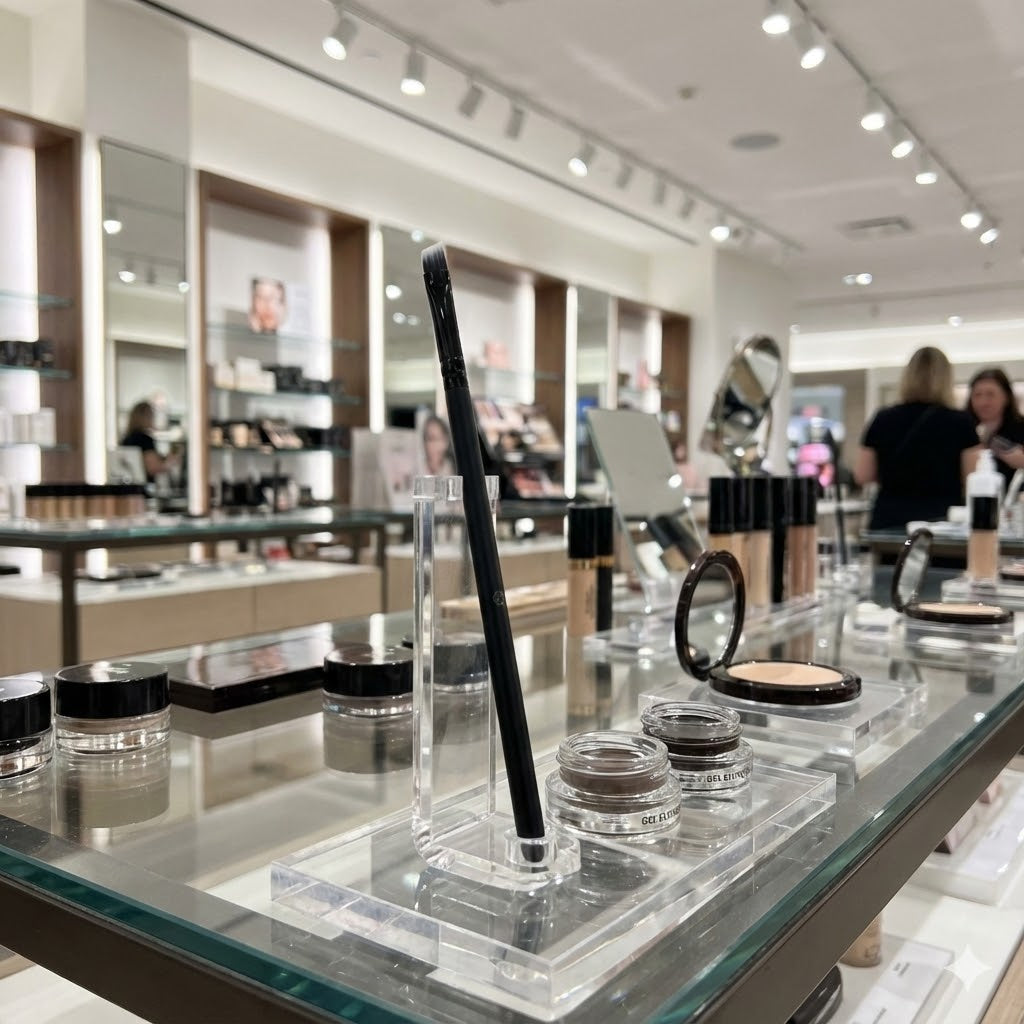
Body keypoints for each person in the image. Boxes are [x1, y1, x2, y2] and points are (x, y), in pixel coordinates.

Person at [855, 346, 981, 530]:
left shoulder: (883, 418)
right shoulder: (961, 422)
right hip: (941, 521)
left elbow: (862, 475)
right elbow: (972, 477)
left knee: (895, 559)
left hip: (890, 520)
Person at [966, 367, 1024, 489]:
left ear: (1006, 397)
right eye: (977, 395)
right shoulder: (963, 429)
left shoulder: (1020, 428)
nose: (983, 402)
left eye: (990, 394)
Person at [121, 401, 179, 483]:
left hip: (129, 488)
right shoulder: (145, 439)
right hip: (144, 488)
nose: (153, 418)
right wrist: (170, 462)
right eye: (151, 415)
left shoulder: (126, 439)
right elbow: (153, 468)